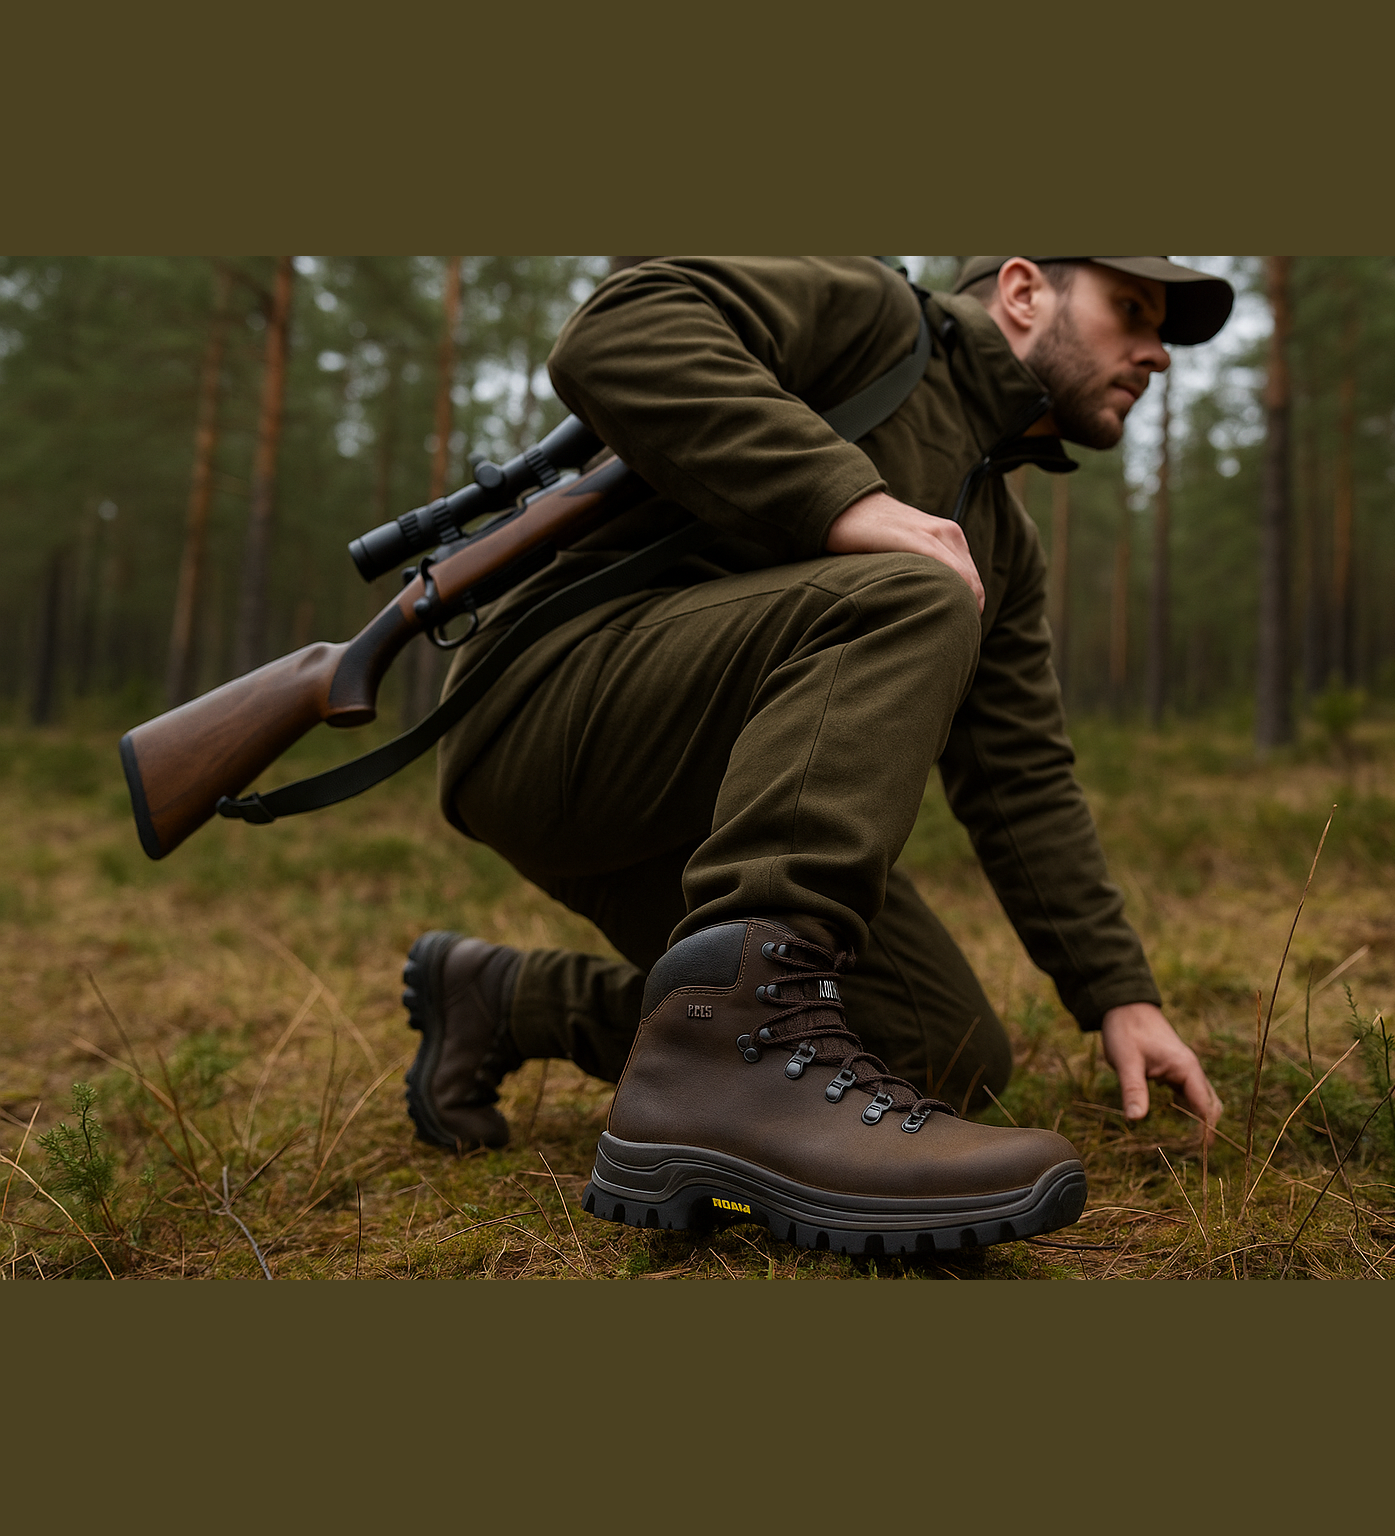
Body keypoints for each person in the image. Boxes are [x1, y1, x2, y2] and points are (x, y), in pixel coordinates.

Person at [401, 256, 1233, 1255]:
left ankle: (509, 1002)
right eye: (1131, 312)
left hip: (704, 809)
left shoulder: (996, 541)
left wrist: (1119, 995)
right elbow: (619, 332)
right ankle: (737, 1048)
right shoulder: (879, 326)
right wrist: (850, 504)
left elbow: (1019, 777)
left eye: (1162, 334)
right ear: (1022, 292)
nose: (1155, 353)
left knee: (943, 1047)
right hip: (549, 714)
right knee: (913, 583)